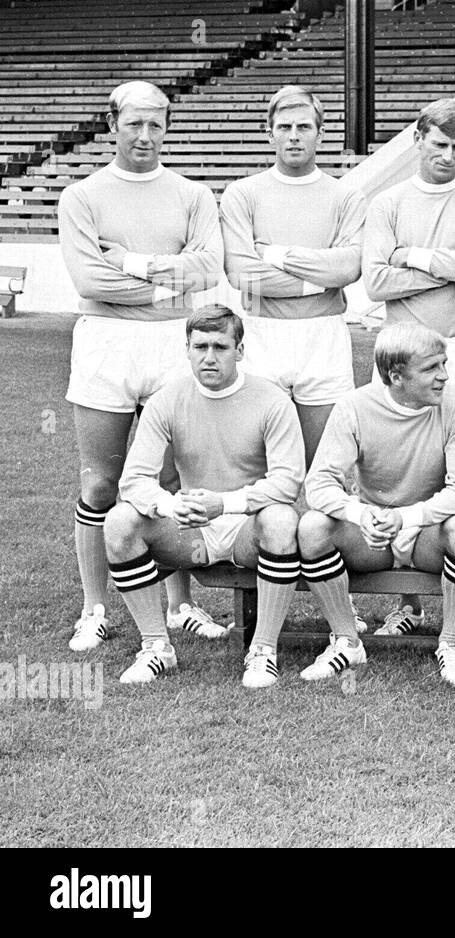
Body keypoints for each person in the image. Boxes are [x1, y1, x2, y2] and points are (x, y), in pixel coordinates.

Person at [59, 80, 226, 652]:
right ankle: (95, 607)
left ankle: (182, 606)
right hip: (106, 343)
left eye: (156, 123)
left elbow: (207, 271)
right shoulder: (82, 196)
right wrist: (168, 282)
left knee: (177, 477)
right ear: (113, 126)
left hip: (170, 345)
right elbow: (88, 280)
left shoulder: (193, 195)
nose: (146, 135)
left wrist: (131, 264)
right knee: (102, 480)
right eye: (135, 124)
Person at [362, 98, 455, 636]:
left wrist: (415, 256)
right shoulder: (389, 202)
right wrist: (452, 265)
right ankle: (408, 603)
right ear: (418, 139)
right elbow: (375, 282)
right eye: (438, 143)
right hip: (404, 350)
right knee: (407, 474)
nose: (447, 155)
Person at [104, 306, 303, 688]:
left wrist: (224, 503)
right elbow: (133, 480)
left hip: (248, 528)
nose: (209, 357)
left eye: (220, 347)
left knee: (281, 519)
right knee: (120, 521)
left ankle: (263, 650)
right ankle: (157, 647)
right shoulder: (167, 399)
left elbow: (287, 483)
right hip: (192, 528)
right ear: (187, 349)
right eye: (200, 347)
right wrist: (171, 505)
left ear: (240, 350)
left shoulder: (272, 399)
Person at [297, 323, 455, 685]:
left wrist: (407, 517)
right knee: (313, 526)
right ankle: (347, 640)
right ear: (396, 376)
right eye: (431, 368)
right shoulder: (354, 406)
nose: (444, 376)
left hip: (427, 531)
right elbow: (318, 483)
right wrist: (360, 513)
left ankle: (451, 643)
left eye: (444, 364)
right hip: (375, 533)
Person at [221, 84, 366, 468]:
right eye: (284, 126)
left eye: (304, 126)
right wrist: (323, 277)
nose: (294, 135)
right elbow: (241, 274)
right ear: (269, 132)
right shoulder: (242, 194)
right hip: (261, 334)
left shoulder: (345, 196)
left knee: (325, 466)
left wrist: (273, 254)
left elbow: (350, 267)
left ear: (321, 132)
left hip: (324, 336)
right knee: (255, 464)